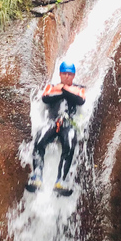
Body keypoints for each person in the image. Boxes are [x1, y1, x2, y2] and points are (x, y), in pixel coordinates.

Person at [26, 61, 86, 195]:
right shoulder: (51, 87)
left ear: (74, 75)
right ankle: (37, 175)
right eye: (64, 73)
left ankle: (61, 180)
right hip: (52, 122)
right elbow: (46, 98)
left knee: (70, 143)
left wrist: (63, 89)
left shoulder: (79, 88)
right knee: (40, 139)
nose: (67, 76)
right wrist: (65, 91)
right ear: (60, 74)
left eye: (69, 74)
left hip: (68, 124)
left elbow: (81, 99)